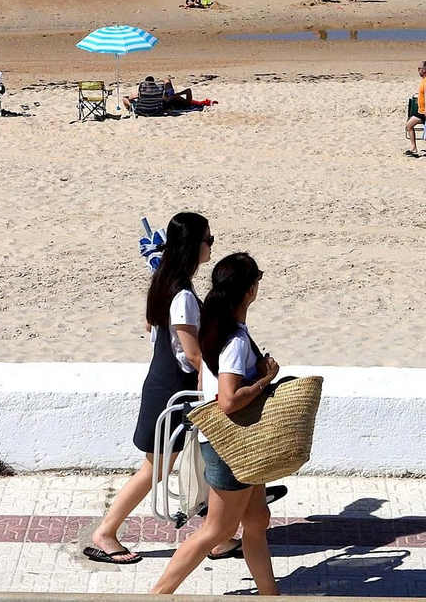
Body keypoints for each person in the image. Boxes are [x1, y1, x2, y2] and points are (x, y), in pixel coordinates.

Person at [88, 213, 234, 566]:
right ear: (192, 246)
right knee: (155, 469)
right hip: (172, 391)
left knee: (201, 463)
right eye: (208, 240)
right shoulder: (181, 293)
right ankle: (105, 533)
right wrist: (217, 387)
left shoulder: (165, 281)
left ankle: (220, 537)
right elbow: (193, 353)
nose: (211, 246)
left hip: (165, 385)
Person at [151, 251, 280, 596]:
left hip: (231, 444)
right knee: (216, 530)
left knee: (256, 522)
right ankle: (158, 594)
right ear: (251, 289)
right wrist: (266, 380)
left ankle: (270, 595)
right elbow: (228, 400)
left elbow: (204, 383)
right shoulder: (235, 340)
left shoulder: (212, 325)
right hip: (232, 447)